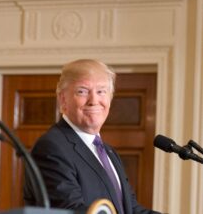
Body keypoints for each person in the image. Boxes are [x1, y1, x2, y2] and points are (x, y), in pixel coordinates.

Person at [24, 59, 161, 214]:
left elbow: (131, 209)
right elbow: (70, 210)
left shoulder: (108, 152)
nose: (94, 101)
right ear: (63, 100)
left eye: (101, 91)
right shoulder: (52, 147)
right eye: (82, 91)